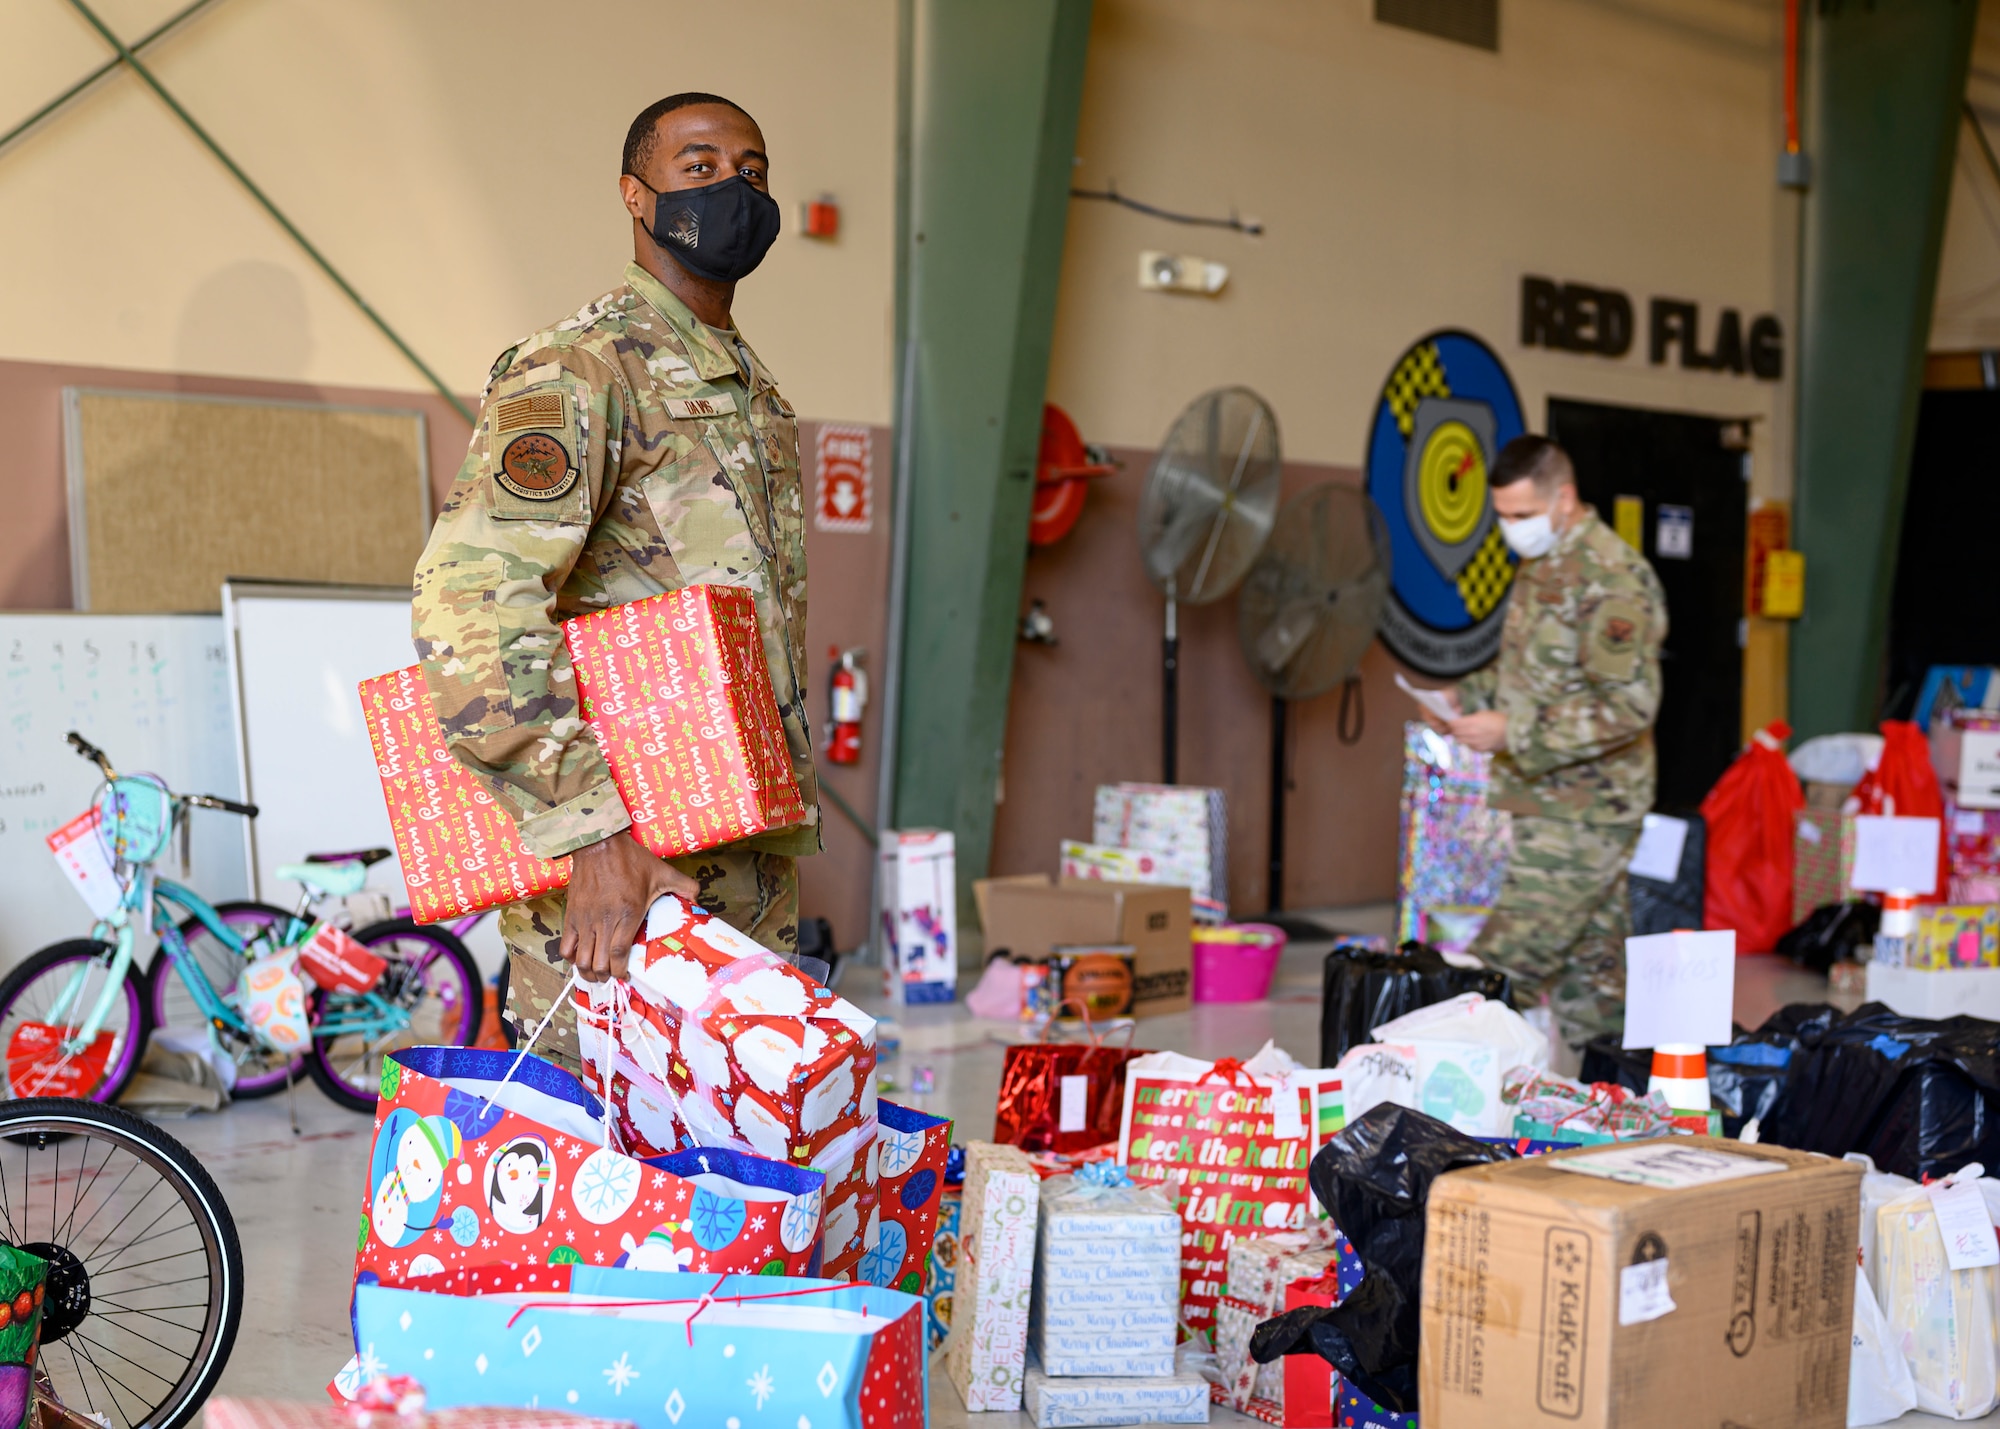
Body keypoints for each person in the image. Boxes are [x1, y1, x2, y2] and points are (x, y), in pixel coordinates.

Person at [410, 93, 819, 1072]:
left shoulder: (748, 389)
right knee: (601, 1193)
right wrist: (589, 834)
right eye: (700, 165)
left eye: (752, 170)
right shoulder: (583, 366)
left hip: (741, 862)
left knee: (728, 1191)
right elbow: (469, 596)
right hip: (620, 869)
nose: (734, 187)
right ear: (637, 196)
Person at [1429, 434, 1665, 1047]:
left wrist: (1516, 730)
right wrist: (1468, 697)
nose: (1511, 529)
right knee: (1597, 986)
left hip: (1587, 809)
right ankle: (1630, 1110)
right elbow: (1532, 674)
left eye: (1522, 516)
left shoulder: (1612, 577)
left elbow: (1630, 704)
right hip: (1547, 800)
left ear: (1564, 499)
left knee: (1502, 970)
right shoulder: (1546, 565)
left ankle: (1443, 1116)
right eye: (1503, 516)